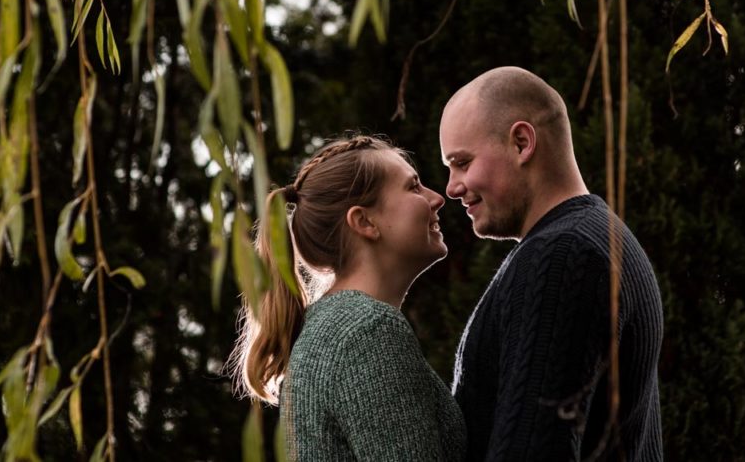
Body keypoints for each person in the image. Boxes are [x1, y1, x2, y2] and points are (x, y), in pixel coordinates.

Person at [439, 67, 663, 461]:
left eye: (462, 162)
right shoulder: (600, 238)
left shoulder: (562, 256)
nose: (452, 187)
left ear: (522, 142)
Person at [231, 135, 466, 461]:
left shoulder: (327, 329)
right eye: (413, 187)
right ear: (364, 222)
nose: (437, 198)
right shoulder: (368, 330)